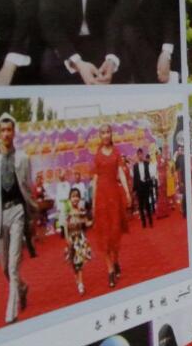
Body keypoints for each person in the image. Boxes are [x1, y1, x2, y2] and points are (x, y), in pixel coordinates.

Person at [0, 114, 32, 324]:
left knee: (13, 266)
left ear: (14, 133)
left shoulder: (23, 158)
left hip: (18, 211)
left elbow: (28, 188)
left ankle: (11, 313)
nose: (6, 134)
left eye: (9, 130)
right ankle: (22, 287)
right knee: (4, 268)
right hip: (1, 217)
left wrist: (31, 215)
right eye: (2, 131)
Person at [90, 123, 130, 289]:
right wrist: (93, 201)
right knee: (104, 235)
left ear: (111, 134)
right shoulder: (97, 155)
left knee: (114, 234)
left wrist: (127, 191)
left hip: (114, 196)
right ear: (100, 135)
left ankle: (115, 260)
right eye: (103, 133)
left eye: (108, 132)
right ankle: (110, 271)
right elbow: (95, 179)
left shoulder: (116, 152)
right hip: (101, 197)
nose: (106, 135)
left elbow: (120, 172)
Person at [62, 186, 92, 294]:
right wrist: (67, 238)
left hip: (80, 240)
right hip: (71, 240)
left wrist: (92, 220)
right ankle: (78, 281)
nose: (75, 198)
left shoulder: (81, 211)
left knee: (79, 263)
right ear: (70, 198)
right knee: (73, 264)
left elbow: (87, 223)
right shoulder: (67, 212)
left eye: (77, 196)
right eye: (73, 196)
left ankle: (80, 284)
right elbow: (65, 226)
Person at [132, 148, 154, 228]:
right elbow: (135, 178)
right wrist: (134, 190)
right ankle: (143, 223)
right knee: (140, 206)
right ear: (137, 155)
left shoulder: (146, 163)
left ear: (143, 154)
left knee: (147, 205)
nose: (140, 156)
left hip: (146, 186)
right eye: (139, 154)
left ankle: (150, 222)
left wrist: (151, 186)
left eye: (141, 154)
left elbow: (150, 175)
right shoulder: (135, 166)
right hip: (139, 187)